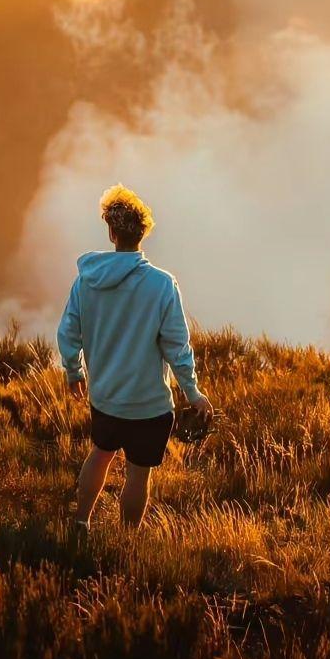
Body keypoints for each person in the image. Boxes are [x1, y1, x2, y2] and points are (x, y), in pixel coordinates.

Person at [57, 184, 213, 531]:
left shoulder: (87, 281)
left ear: (111, 232)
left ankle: (80, 523)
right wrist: (192, 391)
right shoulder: (161, 285)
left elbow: (68, 332)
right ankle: (127, 543)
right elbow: (177, 345)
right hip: (149, 405)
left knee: (100, 455)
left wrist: (73, 372)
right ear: (143, 232)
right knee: (138, 477)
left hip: (105, 398)